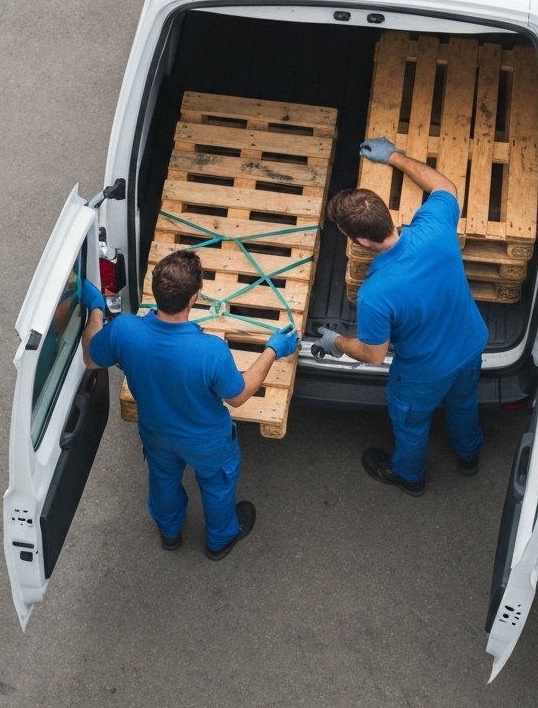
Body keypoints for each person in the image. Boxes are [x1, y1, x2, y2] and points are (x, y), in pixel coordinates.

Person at [80, 249, 299, 558]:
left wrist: (97, 310)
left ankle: (169, 532)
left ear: (155, 291)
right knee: (217, 484)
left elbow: (90, 357)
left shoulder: (125, 331)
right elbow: (238, 396)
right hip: (207, 441)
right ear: (195, 297)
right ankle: (220, 539)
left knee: (163, 479)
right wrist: (273, 350)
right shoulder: (209, 351)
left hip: (156, 432)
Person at [313, 137, 488, 496]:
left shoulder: (376, 293)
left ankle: (409, 476)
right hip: (470, 344)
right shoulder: (435, 229)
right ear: (389, 217)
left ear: (360, 242)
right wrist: (394, 156)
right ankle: (469, 456)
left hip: (424, 372)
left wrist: (337, 342)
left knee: (410, 422)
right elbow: (446, 186)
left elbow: (374, 354)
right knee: (464, 404)